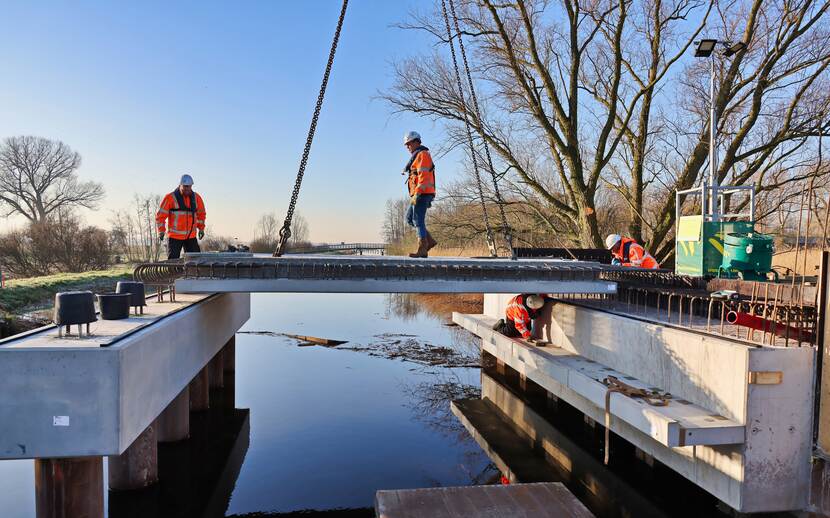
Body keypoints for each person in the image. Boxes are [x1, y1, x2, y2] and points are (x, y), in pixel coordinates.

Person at [402, 131, 437, 258]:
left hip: (422, 193)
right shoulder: (417, 156)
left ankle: (423, 248)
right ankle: (429, 241)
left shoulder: (423, 154)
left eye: (409, 144)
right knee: (409, 219)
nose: (407, 147)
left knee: (417, 219)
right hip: (418, 193)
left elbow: (424, 176)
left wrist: (417, 194)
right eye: (406, 145)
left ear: (416, 141)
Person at [156, 174, 206, 260]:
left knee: (195, 261)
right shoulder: (170, 198)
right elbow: (161, 216)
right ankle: (174, 274)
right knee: (173, 262)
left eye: (189, 187)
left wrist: (201, 228)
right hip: (174, 237)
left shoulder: (196, 198)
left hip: (191, 237)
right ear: (180, 185)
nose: (187, 189)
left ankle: (191, 273)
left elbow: (201, 214)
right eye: (185, 187)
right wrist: (161, 231)